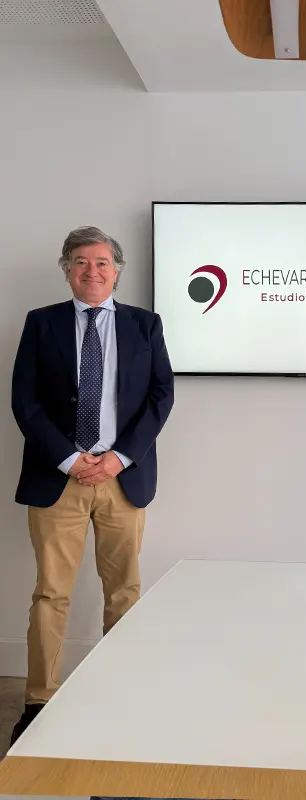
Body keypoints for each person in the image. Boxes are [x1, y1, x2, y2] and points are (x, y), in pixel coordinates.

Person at [10, 226, 175, 744]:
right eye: (81, 261)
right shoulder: (41, 323)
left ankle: (121, 696)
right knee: (50, 593)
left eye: (102, 262)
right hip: (58, 479)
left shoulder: (145, 325)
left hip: (122, 480)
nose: (92, 271)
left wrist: (118, 459)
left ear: (116, 270)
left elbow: (161, 396)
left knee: (124, 591)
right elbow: (25, 401)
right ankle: (39, 701)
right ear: (67, 269)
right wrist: (68, 459)